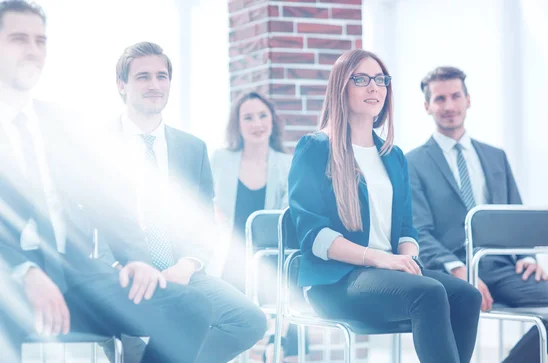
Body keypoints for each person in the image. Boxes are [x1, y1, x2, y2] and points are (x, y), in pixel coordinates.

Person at [0, 2, 213, 362]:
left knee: (191, 309)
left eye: (40, 41)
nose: (33, 50)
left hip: (79, 279)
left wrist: (136, 260)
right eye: (19, 39)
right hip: (11, 282)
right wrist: (25, 271)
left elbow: (103, 204)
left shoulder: (57, 124)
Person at [287, 49, 481, 363]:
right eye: (360, 79)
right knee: (429, 293)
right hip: (338, 281)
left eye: (380, 79)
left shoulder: (393, 155)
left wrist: (407, 262)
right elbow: (314, 236)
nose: (374, 87)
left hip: (389, 275)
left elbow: (406, 227)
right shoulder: (315, 147)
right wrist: (379, 259)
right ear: (341, 88)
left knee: (467, 294)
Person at [97, 42, 267, 363]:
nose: (154, 85)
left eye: (162, 76)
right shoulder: (97, 144)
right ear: (122, 85)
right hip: (122, 275)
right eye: (143, 77)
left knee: (250, 320)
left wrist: (188, 265)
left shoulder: (192, 148)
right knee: (141, 336)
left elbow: (204, 224)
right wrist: (119, 266)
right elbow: (88, 222)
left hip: (180, 272)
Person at [406, 66, 548, 363]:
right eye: (440, 99)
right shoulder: (412, 162)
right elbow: (419, 230)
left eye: (456, 96)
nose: (449, 106)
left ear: (468, 99)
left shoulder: (496, 156)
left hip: (501, 266)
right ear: (427, 107)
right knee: (454, 322)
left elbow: (516, 218)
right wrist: (459, 270)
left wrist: (526, 259)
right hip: (449, 269)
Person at [210, 91, 303, 362]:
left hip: (269, 260)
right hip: (228, 258)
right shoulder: (221, 160)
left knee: (281, 308)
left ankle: (276, 342)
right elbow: (205, 200)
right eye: (248, 117)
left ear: (272, 121)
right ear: (237, 125)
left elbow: (287, 220)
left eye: (262, 116)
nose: (256, 123)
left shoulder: (287, 164)